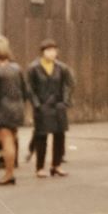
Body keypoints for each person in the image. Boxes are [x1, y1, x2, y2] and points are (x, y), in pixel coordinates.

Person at [26, 38, 76, 178]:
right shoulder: (34, 68)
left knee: (59, 136)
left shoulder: (62, 67)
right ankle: (40, 167)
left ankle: (57, 165)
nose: (52, 53)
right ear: (42, 52)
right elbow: (29, 88)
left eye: (54, 50)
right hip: (42, 107)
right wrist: (36, 104)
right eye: (48, 50)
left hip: (58, 106)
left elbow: (69, 84)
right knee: (42, 136)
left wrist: (65, 102)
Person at [0, 37, 28, 185]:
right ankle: (10, 171)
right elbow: (25, 90)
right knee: (12, 139)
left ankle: (9, 174)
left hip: (1, 111)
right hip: (17, 108)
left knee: (6, 142)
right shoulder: (17, 68)